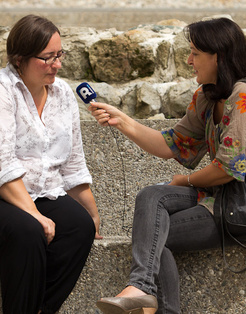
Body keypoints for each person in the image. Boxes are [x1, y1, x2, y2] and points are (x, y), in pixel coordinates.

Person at [89, 18, 246, 314]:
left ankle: (145, 293)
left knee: (151, 236)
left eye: (195, 54)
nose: (189, 61)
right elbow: (171, 144)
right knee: (150, 198)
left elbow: (229, 168)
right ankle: (141, 291)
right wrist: (121, 120)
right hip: (224, 198)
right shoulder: (206, 96)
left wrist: (185, 182)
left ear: (219, 56)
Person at [0, 14, 103, 314]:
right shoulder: (3, 90)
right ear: (20, 59)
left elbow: (73, 164)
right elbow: (3, 163)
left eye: (59, 55)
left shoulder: (63, 95)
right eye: (47, 58)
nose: (57, 65)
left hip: (44, 192)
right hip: (6, 192)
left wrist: (92, 213)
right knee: (28, 231)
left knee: (79, 228)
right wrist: (35, 214)